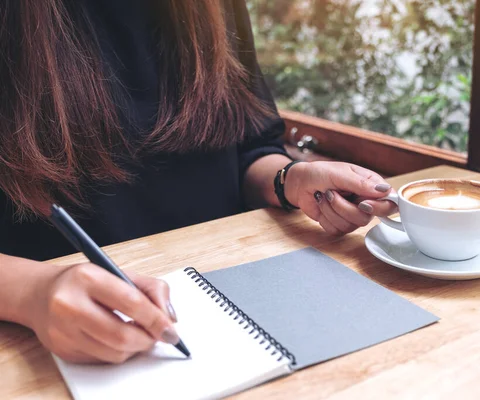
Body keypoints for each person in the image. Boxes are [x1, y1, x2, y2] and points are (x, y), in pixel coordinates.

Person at [0, 0, 395, 364]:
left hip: (240, 290)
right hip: (62, 340)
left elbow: (248, 148)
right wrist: (29, 292)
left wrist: (289, 179)